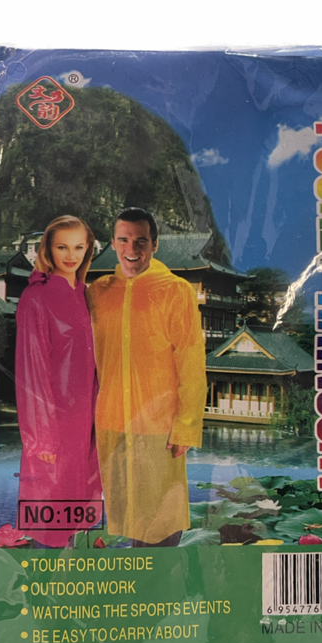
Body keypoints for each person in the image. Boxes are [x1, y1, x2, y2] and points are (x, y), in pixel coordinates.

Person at [86, 207, 206, 546]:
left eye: (141, 241)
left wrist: (186, 426)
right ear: (113, 243)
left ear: (154, 244)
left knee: (160, 523)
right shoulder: (98, 292)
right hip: (110, 422)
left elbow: (191, 361)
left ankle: (160, 575)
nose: (132, 249)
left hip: (158, 426)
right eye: (123, 240)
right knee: (122, 520)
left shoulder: (175, 290)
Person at [15, 216, 102, 547]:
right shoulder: (36, 298)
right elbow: (31, 373)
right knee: (49, 521)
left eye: (79, 247)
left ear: (88, 249)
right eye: (62, 247)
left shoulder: (85, 295)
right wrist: (41, 439)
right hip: (53, 429)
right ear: (48, 250)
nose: (71, 256)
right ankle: (42, 576)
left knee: (81, 519)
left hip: (86, 426)